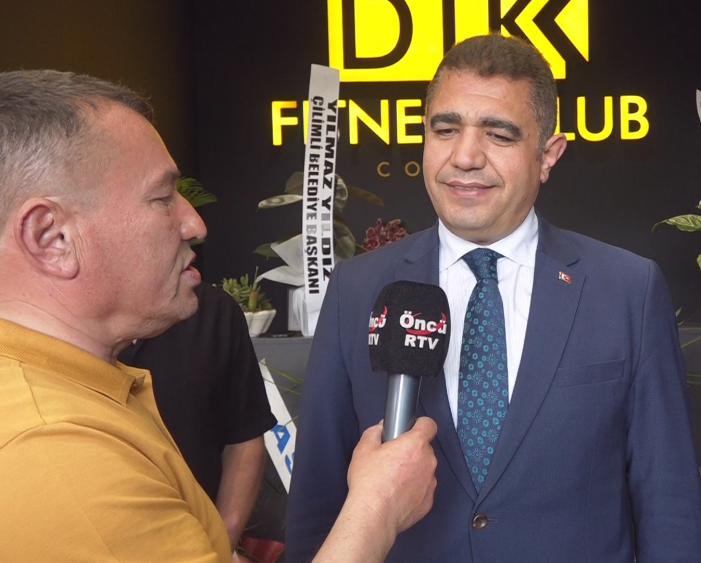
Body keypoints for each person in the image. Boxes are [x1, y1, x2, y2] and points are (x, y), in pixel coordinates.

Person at [285, 34, 701, 563]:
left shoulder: (628, 289)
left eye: (499, 135)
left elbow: (668, 504)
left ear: (548, 154)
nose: (465, 157)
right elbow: (317, 503)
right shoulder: (357, 290)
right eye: (445, 130)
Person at [0, 69, 437, 562]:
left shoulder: (75, 395)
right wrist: (378, 508)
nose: (195, 222)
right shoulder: (57, 454)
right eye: (162, 198)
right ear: (52, 238)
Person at [119, 281, 277, 551]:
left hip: (200, 543)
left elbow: (244, 436)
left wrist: (222, 542)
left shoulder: (213, 312)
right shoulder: (58, 327)